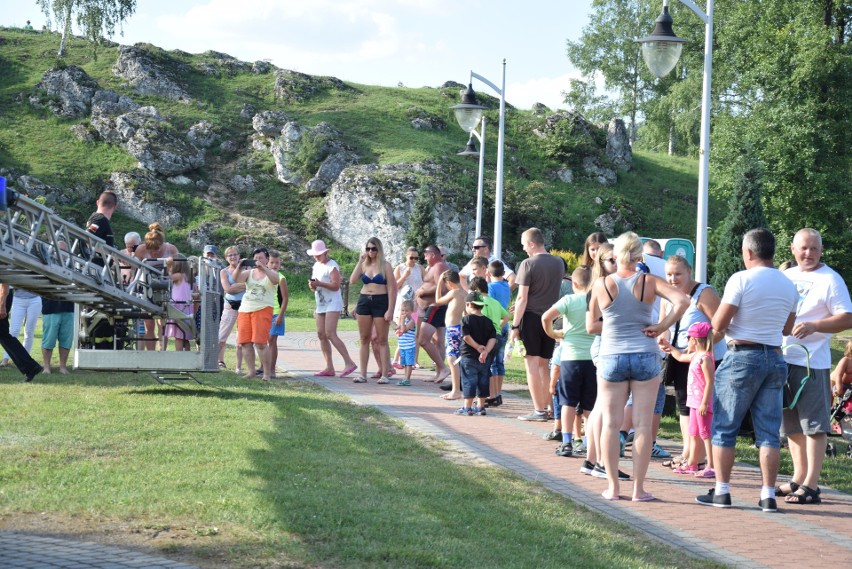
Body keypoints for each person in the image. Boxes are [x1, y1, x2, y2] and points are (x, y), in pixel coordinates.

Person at [696, 228, 797, 512]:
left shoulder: (741, 279)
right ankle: (767, 495)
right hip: (775, 357)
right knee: (767, 433)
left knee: (725, 427)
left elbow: (719, 324)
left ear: (748, 252)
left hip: (742, 355)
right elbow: (788, 328)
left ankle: (722, 491)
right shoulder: (788, 285)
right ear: (772, 252)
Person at [587, 231, 688, 502]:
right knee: (643, 426)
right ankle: (638, 489)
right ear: (639, 256)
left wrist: (617, 325)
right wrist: (661, 327)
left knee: (610, 424)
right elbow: (683, 300)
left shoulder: (601, 284)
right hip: (645, 354)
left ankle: (612, 487)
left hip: (611, 356)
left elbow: (590, 325)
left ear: (615, 255)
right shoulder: (649, 281)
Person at [778, 228, 852, 504]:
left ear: (821, 251)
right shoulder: (786, 276)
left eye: (814, 249)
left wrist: (814, 326)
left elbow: (847, 317)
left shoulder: (831, 280)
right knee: (792, 425)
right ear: (792, 249)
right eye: (803, 248)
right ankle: (798, 477)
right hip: (783, 360)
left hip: (812, 364)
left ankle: (812, 484)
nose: (808, 254)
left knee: (814, 425)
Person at [658, 254, 725, 468]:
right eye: (669, 274)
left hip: (703, 359)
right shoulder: (666, 295)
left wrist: (700, 346)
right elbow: (664, 325)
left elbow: (721, 328)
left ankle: (699, 457)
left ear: (689, 272)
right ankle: (688, 454)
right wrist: (664, 339)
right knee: (684, 406)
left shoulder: (703, 293)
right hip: (680, 356)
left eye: (678, 274)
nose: (673, 279)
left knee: (700, 408)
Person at [511, 228, 565, 422]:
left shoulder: (527, 264)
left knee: (531, 364)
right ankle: (550, 408)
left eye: (525, 245)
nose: (524, 248)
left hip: (532, 318)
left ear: (532, 244)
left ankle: (539, 410)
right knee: (544, 365)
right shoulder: (558, 263)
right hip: (550, 318)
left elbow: (522, 298)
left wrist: (515, 326)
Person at [542, 266, 596, 459]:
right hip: (592, 359)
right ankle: (589, 444)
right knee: (590, 406)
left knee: (568, 403)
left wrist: (553, 333)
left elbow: (546, 317)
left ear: (573, 283)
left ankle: (567, 442)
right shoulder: (595, 300)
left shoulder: (568, 300)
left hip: (570, 359)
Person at [660, 322, 716, 477]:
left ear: (695, 340)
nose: (687, 341)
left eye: (688, 338)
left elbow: (710, 381)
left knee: (705, 433)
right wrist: (669, 347)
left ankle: (711, 466)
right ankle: (692, 463)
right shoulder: (695, 356)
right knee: (693, 433)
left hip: (701, 403)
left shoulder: (705, 358)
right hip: (693, 402)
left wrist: (705, 402)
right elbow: (679, 356)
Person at [308, 240, 357, 378]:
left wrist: (320, 283)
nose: (316, 257)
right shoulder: (316, 265)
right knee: (321, 334)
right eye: (315, 255)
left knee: (330, 333)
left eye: (319, 254)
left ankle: (349, 362)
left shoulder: (332, 266)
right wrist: (313, 286)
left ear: (326, 252)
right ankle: (329, 367)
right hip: (321, 302)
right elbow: (315, 286)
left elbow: (336, 286)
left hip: (333, 302)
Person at [349, 237, 396, 383]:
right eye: (368, 248)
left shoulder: (385, 266)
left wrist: (390, 309)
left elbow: (392, 289)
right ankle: (362, 374)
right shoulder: (364, 264)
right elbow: (353, 280)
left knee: (382, 340)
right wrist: (359, 261)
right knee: (364, 339)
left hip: (380, 301)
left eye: (373, 249)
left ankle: (385, 374)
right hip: (364, 301)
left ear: (379, 250)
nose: (370, 251)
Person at [236, 247, 280, 381]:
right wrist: (239, 265)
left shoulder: (271, 272)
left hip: (263, 309)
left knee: (260, 343)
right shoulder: (249, 272)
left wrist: (263, 267)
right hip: (245, 309)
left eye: (261, 258)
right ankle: (251, 371)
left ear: (267, 260)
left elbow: (275, 280)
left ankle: (267, 373)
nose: (257, 261)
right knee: (245, 342)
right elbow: (236, 279)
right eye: (255, 258)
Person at [134, 222, 179, 350]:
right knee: (149, 324)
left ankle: (162, 352)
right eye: (150, 249)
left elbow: (181, 271)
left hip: (165, 288)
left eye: (156, 249)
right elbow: (133, 271)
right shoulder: (141, 249)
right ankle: (151, 355)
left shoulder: (171, 249)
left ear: (161, 245)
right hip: (146, 290)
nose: (153, 253)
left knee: (162, 323)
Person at [456, 291, 497, 416]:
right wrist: (485, 351)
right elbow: (493, 338)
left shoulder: (466, 319)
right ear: (482, 305)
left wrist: (477, 347)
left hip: (468, 356)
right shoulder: (488, 321)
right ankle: (480, 407)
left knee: (469, 380)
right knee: (483, 381)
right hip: (484, 358)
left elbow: (466, 337)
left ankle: (467, 407)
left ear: (468, 304)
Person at [415, 245, 451, 382]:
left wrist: (422, 292)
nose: (424, 256)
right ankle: (439, 373)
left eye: (426, 253)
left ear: (433, 254)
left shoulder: (439, 266)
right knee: (438, 342)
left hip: (435, 307)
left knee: (423, 340)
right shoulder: (434, 267)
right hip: (436, 307)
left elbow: (442, 288)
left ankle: (443, 368)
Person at [433, 270, 467, 399]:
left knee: (452, 359)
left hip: (453, 329)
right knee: (458, 359)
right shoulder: (464, 293)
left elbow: (438, 300)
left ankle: (456, 390)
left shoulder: (454, 292)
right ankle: (458, 388)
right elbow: (465, 313)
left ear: (449, 283)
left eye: (446, 284)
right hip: (460, 328)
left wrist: (438, 284)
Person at [0, 283, 43, 382]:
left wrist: (2, 305)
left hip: (3, 295)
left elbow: (4, 282)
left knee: (4, 336)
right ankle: (31, 367)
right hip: (4, 295)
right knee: (4, 336)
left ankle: (31, 367)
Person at [391, 247, 424, 370]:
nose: (414, 260)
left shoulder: (420, 268)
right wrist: (404, 276)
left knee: (415, 333)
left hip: (416, 304)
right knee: (401, 331)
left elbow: (425, 282)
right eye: (411, 258)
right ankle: (398, 359)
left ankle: (414, 360)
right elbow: (394, 286)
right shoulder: (400, 268)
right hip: (403, 305)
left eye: (416, 258)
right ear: (406, 256)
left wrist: (421, 293)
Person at [485, 260, 511, 406]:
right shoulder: (506, 285)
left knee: (491, 362)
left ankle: (492, 394)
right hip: (505, 324)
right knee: (499, 361)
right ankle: (498, 393)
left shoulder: (491, 287)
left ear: (489, 273)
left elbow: (491, 305)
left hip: (495, 325)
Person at [217, 246, 246, 372]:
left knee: (241, 339)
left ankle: (238, 366)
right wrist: (243, 286)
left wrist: (235, 286)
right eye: (230, 255)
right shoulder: (224, 271)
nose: (233, 257)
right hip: (230, 306)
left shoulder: (246, 270)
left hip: (245, 306)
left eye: (235, 254)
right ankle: (218, 361)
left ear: (239, 256)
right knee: (222, 336)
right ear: (226, 258)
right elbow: (227, 289)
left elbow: (250, 285)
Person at [163, 258, 195, 351]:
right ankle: (187, 355)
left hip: (178, 306)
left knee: (179, 335)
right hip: (187, 306)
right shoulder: (188, 276)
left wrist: (167, 266)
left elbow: (166, 278)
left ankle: (179, 355)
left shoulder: (179, 275)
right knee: (185, 335)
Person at [266, 250, 289, 379]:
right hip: (264, 311)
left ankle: (272, 369)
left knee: (272, 340)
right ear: (267, 263)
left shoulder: (281, 278)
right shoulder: (264, 276)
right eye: (272, 262)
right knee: (263, 341)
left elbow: (285, 298)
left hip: (276, 313)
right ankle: (264, 367)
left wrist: (280, 315)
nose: (274, 265)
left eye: (277, 263)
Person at [41, 297, 74, 374]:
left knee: (66, 339)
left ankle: (63, 367)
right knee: (49, 339)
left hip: (69, 308)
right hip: (50, 308)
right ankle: (46, 367)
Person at [395, 300, 417, 386]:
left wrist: (402, 320)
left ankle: (407, 379)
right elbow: (397, 328)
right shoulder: (403, 321)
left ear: (412, 312)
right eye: (402, 310)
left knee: (408, 363)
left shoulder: (412, 321)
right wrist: (390, 321)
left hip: (409, 346)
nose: (404, 312)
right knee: (404, 363)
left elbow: (404, 330)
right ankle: (405, 378)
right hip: (403, 346)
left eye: (407, 311)